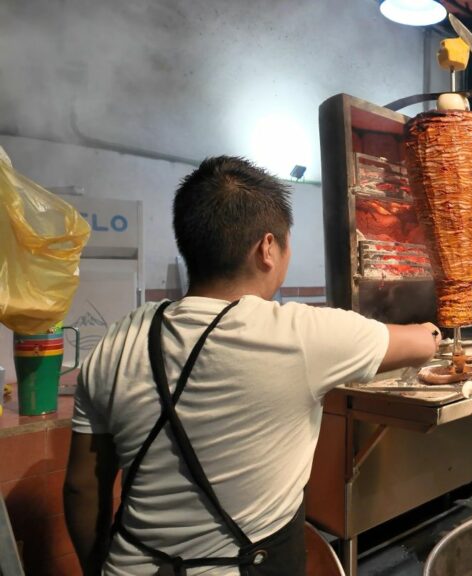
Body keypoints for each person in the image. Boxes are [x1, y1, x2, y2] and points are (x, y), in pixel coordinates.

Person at [63, 157, 440, 575]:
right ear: (267, 248)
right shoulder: (301, 333)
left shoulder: (118, 338)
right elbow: (422, 344)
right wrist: (433, 329)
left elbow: (83, 486)